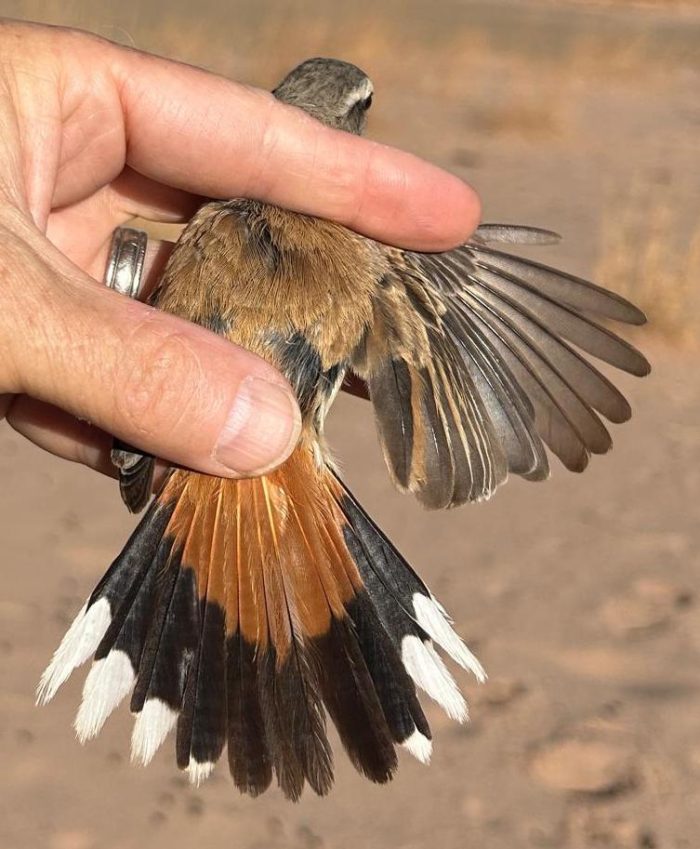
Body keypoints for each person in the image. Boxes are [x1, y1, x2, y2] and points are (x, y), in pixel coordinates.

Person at [0, 19, 481, 485]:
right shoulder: (370, 251)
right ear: (354, 114)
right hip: (268, 451)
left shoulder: (216, 212)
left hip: (189, 448)